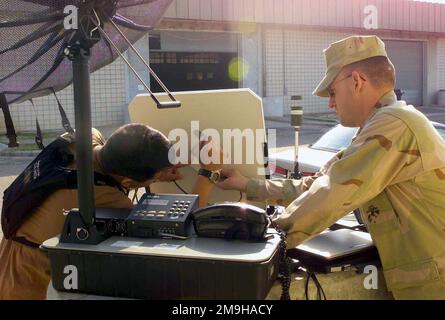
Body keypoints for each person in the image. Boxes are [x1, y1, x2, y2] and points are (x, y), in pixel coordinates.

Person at [217, 35, 445, 299]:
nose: (330, 103)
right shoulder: (381, 127)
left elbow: (333, 193)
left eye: (332, 92)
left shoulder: (393, 124)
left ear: (357, 82)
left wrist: (265, 236)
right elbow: (319, 184)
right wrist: (246, 185)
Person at [0, 123, 221, 299]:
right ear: (127, 181)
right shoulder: (102, 198)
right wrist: (208, 173)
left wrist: (162, 162)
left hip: (8, 259)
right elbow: (181, 227)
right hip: (30, 283)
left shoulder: (84, 135)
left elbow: (131, 146)